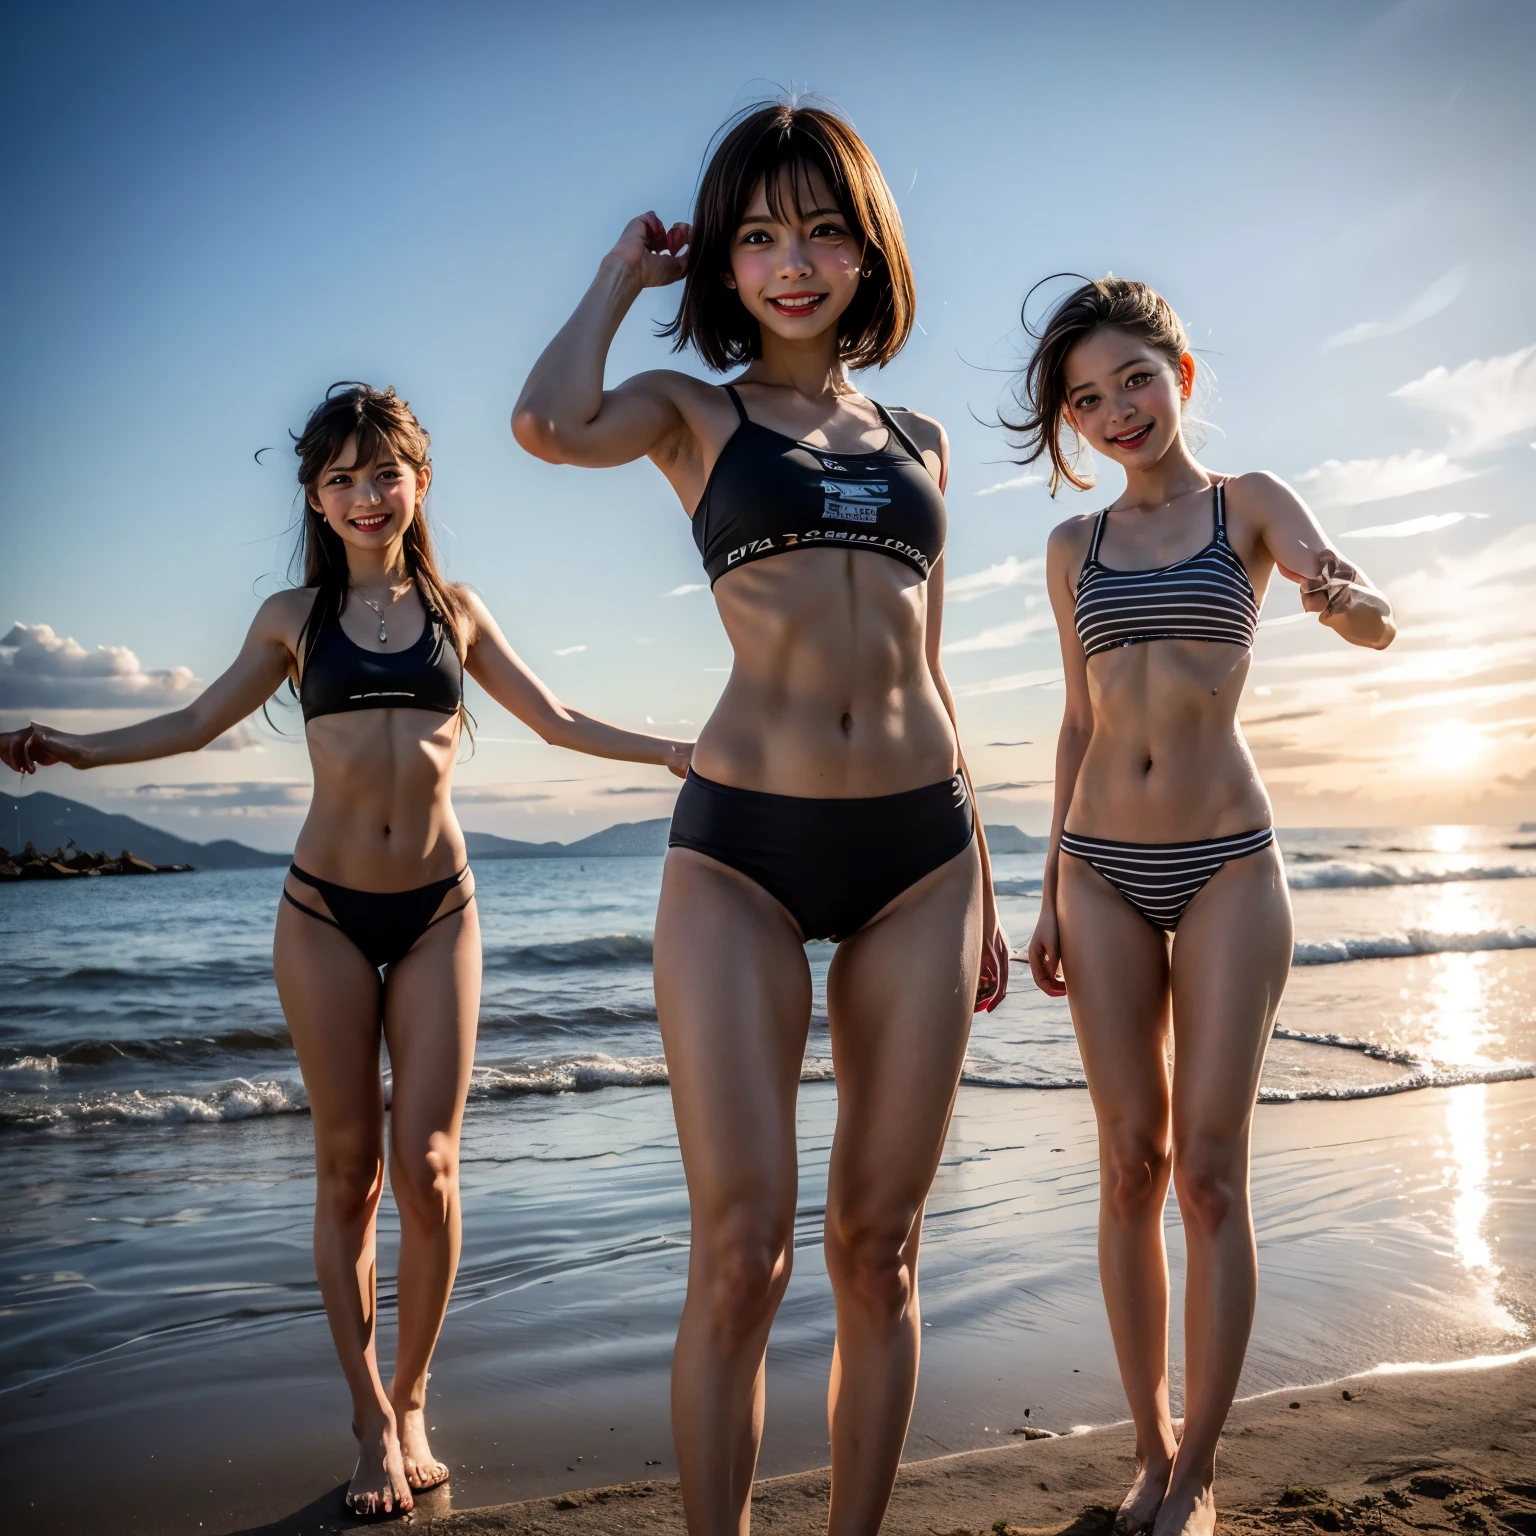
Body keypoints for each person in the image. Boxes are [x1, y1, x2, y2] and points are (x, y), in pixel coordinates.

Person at [1, 383, 692, 1518]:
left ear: (419, 483)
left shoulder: (455, 611)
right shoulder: (291, 618)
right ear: (315, 500)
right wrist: (71, 749)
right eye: (341, 480)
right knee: (348, 1170)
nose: (366, 497)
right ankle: (366, 1415)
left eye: (384, 475)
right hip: (322, 911)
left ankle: (413, 1396)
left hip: (441, 908)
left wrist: (675, 750)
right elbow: (191, 724)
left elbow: (558, 720)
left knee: (428, 1168)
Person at [513, 101, 1010, 1533]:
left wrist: (981, 869)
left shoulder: (918, 436)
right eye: (758, 236)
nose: (794, 262)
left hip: (921, 854)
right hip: (743, 853)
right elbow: (546, 422)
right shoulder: (694, 413)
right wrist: (623, 276)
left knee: (880, 1249)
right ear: (723, 264)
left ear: (869, 247)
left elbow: (930, 665)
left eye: (823, 230)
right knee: (745, 1253)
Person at [1019, 279, 1395, 1536]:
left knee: (1210, 1175)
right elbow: (1078, 722)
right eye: (1085, 399)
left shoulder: (1253, 507)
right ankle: (1147, 1447)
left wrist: (1345, 602)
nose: (1114, 410)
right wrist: (1049, 894)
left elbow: (1367, 614)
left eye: (1132, 379)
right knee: (1129, 1167)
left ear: (1179, 373)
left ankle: (1202, 1471)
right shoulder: (1076, 547)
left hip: (1232, 861)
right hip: (1100, 870)